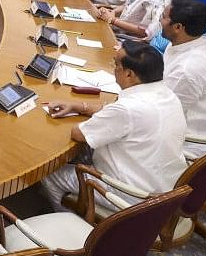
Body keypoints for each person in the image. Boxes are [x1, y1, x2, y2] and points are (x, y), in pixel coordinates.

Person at [44, 40, 186, 211]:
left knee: (49, 173)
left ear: (129, 75)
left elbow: (78, 133)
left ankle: (64, 218)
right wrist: (78, 107)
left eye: (116, 64)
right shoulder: (166, 93)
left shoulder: (127, 109)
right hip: (164, 187)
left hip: (132, 196)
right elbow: (116, 114)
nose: (113, 68)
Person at [160, 0, 206, 158]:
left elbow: (161, 113)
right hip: (168, 121)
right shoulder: (180, 44)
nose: (160, 20)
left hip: (184, 145)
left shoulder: (187, 70)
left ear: (178, 27)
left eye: (163, 17)